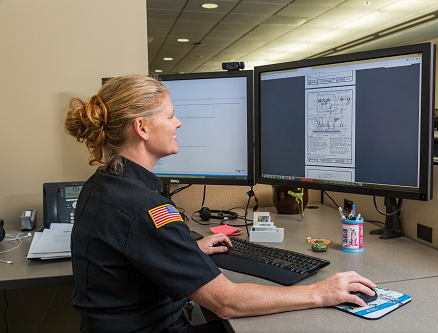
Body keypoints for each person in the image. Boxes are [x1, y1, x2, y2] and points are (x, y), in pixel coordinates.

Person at [64, 74, 375, 333]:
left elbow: (131, 254)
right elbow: (227, 302)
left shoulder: (102, 184)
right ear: (142, 128)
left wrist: (188, 252)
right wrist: (318, 293)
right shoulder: (144, 208)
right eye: (170, 115)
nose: (179, 123)